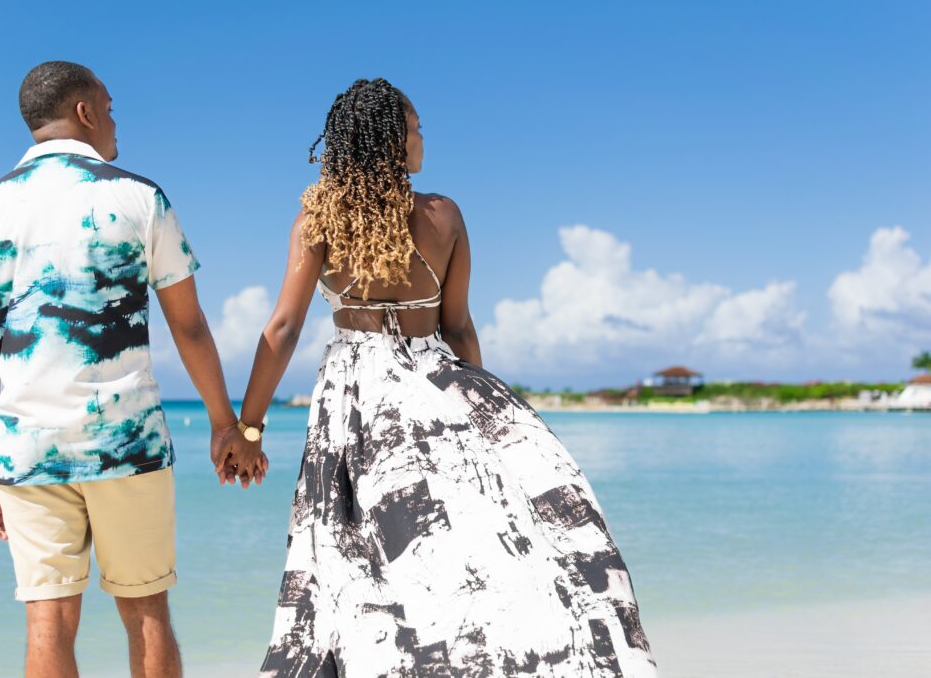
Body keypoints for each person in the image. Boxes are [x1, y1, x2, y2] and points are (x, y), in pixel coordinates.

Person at [233, 78, 657, 676]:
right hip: (435, 382)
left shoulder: (318, 218)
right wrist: (485, 421)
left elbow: (282, 330)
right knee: (466, 552)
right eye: (416, 127)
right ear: (390, 139)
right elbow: (457, 328)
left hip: (356, 395)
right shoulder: (444, 215)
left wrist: (246, 429)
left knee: (358, 554)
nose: (423, 139)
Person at [0, 61, 267, 678]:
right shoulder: (139, 196)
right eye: (111, 107)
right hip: (128, 444)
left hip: (29, 447)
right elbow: (190, 328)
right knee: (145, 609)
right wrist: (227, 427)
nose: (117, 122)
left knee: (48, 620)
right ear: (86, 112)